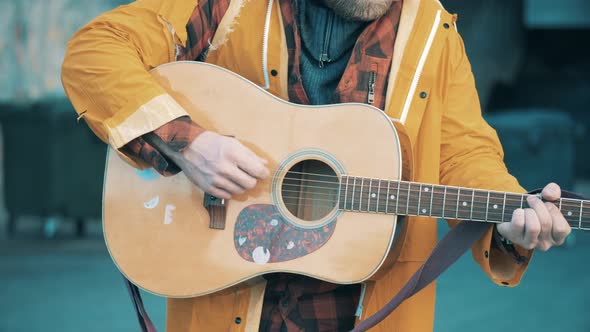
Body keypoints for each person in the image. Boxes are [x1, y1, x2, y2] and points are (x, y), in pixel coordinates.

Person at [61, 0, 571, 331]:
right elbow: (95, 53)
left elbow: (465, 155)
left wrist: (510, 222)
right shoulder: (225, 6)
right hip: (226, 305)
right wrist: (187, 144)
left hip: (368, 313)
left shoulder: (434, 33)